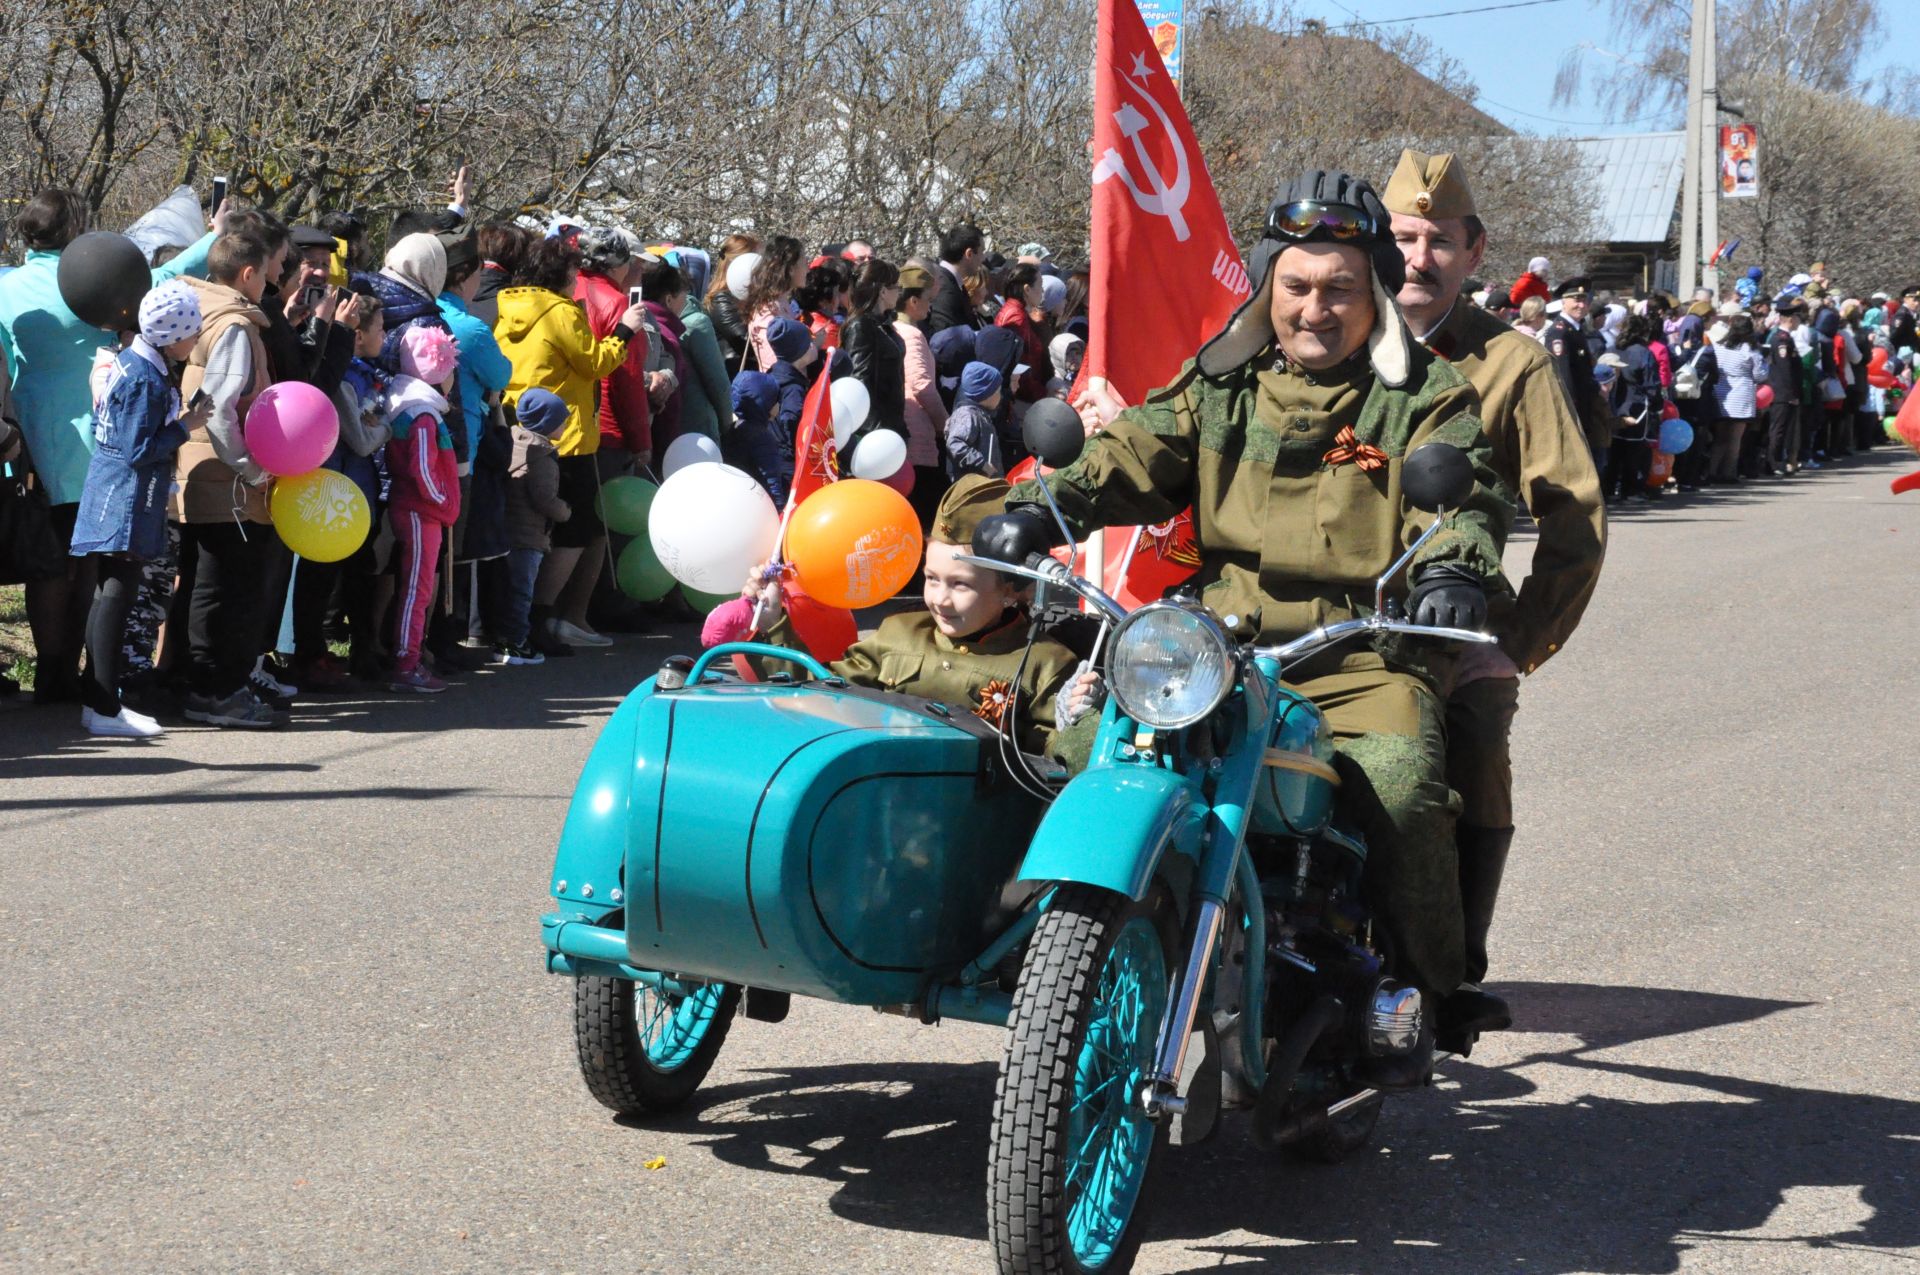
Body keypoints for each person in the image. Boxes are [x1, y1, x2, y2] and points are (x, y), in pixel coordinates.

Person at [986, 170, 1511, 1036]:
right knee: (1082, 743)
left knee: (1402, 787)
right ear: (1269, 287)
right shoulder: (1220, 385)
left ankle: (1420, 991)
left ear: (1375, 291)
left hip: (1358, 650)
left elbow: (1468, 498)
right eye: (1297, 286)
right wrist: (1048, 507)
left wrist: (1451, 569)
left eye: (1341, 288)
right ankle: (1064, 946)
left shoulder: (1425, 394)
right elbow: (1135, 449)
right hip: (1214, 644)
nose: (1316, 308)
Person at [1382, 148, 1605, 1049]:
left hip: (1452, 620)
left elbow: (1574, 513)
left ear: (1475, 254)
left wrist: (1515, 638)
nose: (1418, 257)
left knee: (1471, 754)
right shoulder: (1327, 334)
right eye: (1402, 236)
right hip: (1321, 612)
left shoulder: (1510, 365)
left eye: (1440, 240)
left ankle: (1453, 974)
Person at [0, 187, 217, 703]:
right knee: (88, 561)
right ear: (76, 229)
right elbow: (158, 280)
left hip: (31, 435)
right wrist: (211, 238)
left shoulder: (7, 287)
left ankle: (49, 670)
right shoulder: (88, 278)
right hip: (94, 437)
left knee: (47, 561)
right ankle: (76, 672)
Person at [748, 475, 1098, 758]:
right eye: (931, 579)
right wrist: (774, 624)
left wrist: (1076, 723)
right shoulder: (899, 632)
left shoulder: (1045, 663)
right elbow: (821, 694)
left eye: (960, 585)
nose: (939, 599)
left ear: (1011, 589)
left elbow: (1056, 762)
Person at [68, 282, 208, 737]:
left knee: (109, 593)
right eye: (192, 333)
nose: (195, 341)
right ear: (171, 336)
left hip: (113, 492)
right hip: (125, 497)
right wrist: (185, 426)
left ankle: (100, 701)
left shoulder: (133, 363)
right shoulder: (146, 377)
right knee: (115, 596)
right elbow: (137, 448)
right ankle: (105, 706)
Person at [495, 236, 645, 655]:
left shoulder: (507, 304)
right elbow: (595, 362)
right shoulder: (561, 311)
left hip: (517, 424)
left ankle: (519, 620)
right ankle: (541, 618)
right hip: (567, 434)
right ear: (561, 274)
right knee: (576, 530)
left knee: (527, 530)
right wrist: (625, 332)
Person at [384, 325, 463, 692]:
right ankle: (406, 662)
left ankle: (410, 656)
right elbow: (422, 467)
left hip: (423, 511)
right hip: (420, 511)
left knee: (420, 589)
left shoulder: (420, 410)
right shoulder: (422, 416)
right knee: (418, 590)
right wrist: (441, 498)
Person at [498, 388, 571, 665]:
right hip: (528, 535)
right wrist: (564, 511)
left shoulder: (515, 442)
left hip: (506, 530)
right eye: (562, 420)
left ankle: (503, 639)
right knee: (522, 592)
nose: (565, 425)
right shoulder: (542, 457)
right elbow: (544, 498)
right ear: (547, 423)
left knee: (507, 590)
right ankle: (516, 643)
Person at [894, 265, 949, 528]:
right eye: (928, 300)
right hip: (918, 434)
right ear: (913, 300)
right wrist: (943, 423)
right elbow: (922, 384)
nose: (930, 306)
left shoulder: (891, 330)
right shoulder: (911, 335)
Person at [839, 259, 906, 447]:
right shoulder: (861, 326)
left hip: (892, 425)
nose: (900, 292)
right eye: (896, 287)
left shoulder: (882, 324)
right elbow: (859, 382)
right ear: (883, 291)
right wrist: (877, 433)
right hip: (875, 434)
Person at [1543, 277, 1611, 457]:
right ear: (1563, 302)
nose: (1581, 305)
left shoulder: (1576, 330)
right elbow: (1564, 376)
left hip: (1584, 407)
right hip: (1573, 410)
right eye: (1576, 300)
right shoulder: (1560, 332)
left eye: (1585, 301)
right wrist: (1571, 414)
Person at [1604, 314, 1662, 503]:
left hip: (1615, 404)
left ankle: (1609, 488)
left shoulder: (1612, 349)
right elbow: (1651, 383)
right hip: (1638, 405)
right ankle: (1631, 490)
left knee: (1615, 450)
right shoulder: (1643, 352)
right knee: (1635, 450)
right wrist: (1657, 405)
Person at [1710, 312, 1763, 482]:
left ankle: (1711, 471)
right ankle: (1729, 472)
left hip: (1722, 393)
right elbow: (1760, 374)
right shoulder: (1750, 349)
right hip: (1741, 394)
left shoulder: (1720, 346)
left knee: (1720, 437)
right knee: (1735, 438)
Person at [745, 235, 806, 372]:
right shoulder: (766, 310)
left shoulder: (782, 302)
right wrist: (809, 353)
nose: (807, 269)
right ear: (790, 268)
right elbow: (774, 366)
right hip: (780, 390)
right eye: (803, 262)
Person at [994, 264, 1048, 404]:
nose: (1042, 290)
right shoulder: (1016, 317)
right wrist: (1043, 394)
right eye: (1040, 285)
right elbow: (1019, 365)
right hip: (1021, 397)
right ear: (1027, 289)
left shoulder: (1017, 311)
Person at [1765, 300, 1806, 476]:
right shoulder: (1782, 340)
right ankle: (1771, 463)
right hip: (1782, 391)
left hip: (1786, 391)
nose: (1799, 321)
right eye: (1798, 317)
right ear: (1790, 319)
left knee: (1784, 429)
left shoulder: (1787, 339)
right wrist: (1790, 394)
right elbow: (1785, 370)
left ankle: (1777, 461)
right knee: (1778, 429)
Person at [946, 361, 1005, 478]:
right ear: (985, 395)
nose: (1001, 396)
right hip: (973, 486)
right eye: (998, 392)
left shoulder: (981, 414)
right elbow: (955, 444)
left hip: (985, 484)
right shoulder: (968, 415)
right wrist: (982, 464)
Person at [929, 223, 986, 334]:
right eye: (982, 252)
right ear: (969, 254)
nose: (983, 258)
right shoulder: (943, 287)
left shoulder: (954, 282)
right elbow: (947, 338)